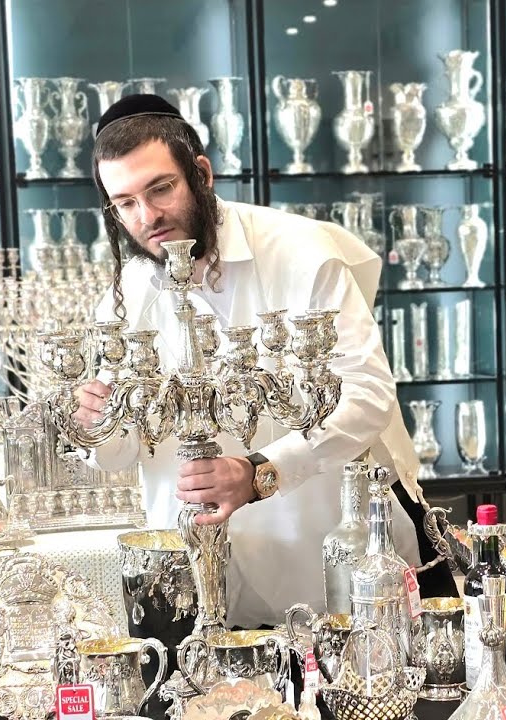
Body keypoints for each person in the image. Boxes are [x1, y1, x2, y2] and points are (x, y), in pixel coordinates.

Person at [72, 94, 456, 629]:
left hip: (330, 562)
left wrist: (258, 473)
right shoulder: (128, 290)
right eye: (125, 203)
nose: (147, 217)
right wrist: (95, 425)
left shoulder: (298, 251)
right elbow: (121, 451)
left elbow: (367, 393)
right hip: (206, 580)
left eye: (160, 189)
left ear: (201, 174)